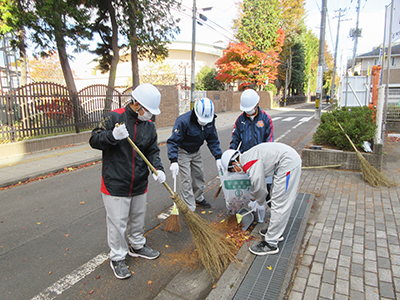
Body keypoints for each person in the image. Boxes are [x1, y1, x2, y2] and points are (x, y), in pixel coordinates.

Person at [89, 83, 166, 280]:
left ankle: (137, 245)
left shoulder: (149, 126)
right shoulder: (114, 117)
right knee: (117, 222)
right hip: (116, 182)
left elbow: (152, 151)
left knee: (138, 218)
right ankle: (117, 257)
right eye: (148, 110)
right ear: (137, 104)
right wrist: (112, 136)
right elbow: (94, 139)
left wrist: (158, 169)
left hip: (139, 181)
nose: (150, 115)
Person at [221, 142, 302, 255]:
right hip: (283, 164)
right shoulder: (247, 157)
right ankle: (274, 232)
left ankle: (271, 244)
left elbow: (259, 187)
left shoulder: (249, 163)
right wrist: (253, 199)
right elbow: (256, 183)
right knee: (275, 197)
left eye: (233, 170)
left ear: (235, 164)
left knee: (280, 204)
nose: (236, 172)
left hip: (288, 164)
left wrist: (259, 202)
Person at [167, 98, 223, 211]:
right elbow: (173, 141)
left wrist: (218, 157)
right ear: (196, 113)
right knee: (186, 180)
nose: (204, 122)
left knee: (199, 175)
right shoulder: (183, 121)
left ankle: (198, 197)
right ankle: (189, 207)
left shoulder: (210, 120)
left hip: (196, 150)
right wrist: (173, 160)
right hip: (183, 151)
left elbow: (212, 139)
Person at [229, 89, 274, 217]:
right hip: (246, 159)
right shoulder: (240, 120)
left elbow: (269, 142)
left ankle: (270, 212)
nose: (248, 111)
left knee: (265, 187)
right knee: (248, 185)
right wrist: (231, 158)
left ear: (257, 104)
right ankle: (248, 210)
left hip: (261, 160)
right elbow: (235, 140)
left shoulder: (266, 119)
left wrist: (266, 161)